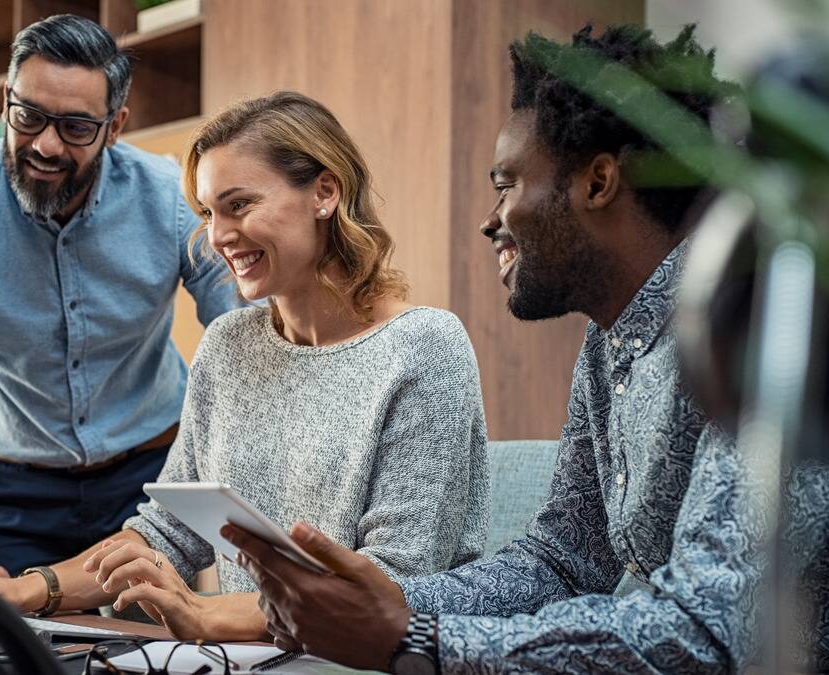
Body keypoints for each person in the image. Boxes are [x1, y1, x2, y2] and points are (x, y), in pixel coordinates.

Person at [225, 23, 827, 672]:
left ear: (597, 182)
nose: (491, 219)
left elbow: (704, 631)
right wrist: (388, 601)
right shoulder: (607, 345)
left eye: (506, 183)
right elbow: (563, 561)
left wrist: (419, 639)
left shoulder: (757, 321)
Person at [0, 91, 490, 641]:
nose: (217, 237)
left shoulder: (425, 347)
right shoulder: (227, 345)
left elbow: (392, 585)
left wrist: (205, 615)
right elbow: (167, 532)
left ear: (324, 192)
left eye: (239, 205)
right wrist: (29, 590)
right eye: (208, 213)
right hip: (249, 654)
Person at [0, 14, 241, 576]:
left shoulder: (167, 199)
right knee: (7, 649)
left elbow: (243, 326)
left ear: (115, 126)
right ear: (5, 98)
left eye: (76, 128)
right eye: (29, 116)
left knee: (146, 654)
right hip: (10, 490)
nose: (45, 144)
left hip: (150, 480)